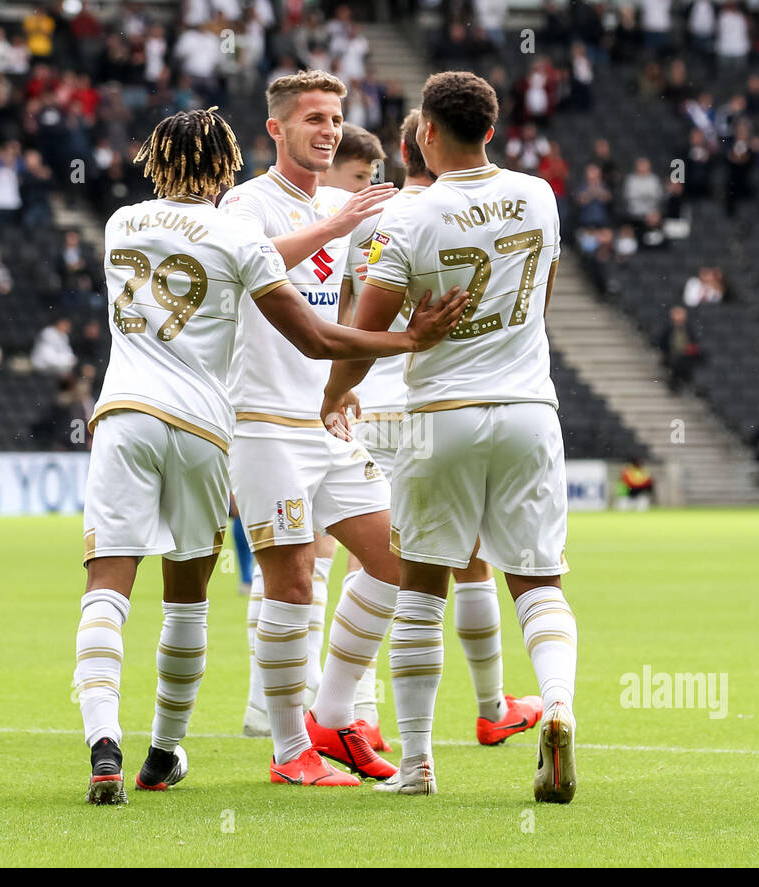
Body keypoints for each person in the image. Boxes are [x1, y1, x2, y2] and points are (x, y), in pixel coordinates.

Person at [74, 106, 465, 804]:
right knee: (186, 607)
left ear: (157, 162)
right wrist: (410, 341)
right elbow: (316, 338)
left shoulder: (120, 224)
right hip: (202, 428)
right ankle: (166, 749)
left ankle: (105, 743)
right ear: (226, 165)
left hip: (121, 418)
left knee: (107, 588)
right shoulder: (239, 233)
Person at [322, 71, 578, 803]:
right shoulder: (539, 195)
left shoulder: (412, 215)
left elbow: (368, 329)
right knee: (538, 581)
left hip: (441, 413)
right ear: (491, 131)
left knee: (424, 586)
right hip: (529, 407)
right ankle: (555, 704)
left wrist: (337, 393)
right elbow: (543, 300)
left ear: (425, 133)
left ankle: (418, 765)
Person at [216, 70, 427, 789]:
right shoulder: (244, 204)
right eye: (313, 118)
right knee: (294, 582)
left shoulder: (343, 201)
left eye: (335, 118)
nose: (329, 130)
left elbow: (415, 216)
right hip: (264, 424)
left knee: (402, 559)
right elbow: (253, 266)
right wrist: (335, 227)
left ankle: (332, 714)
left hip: (325, 421)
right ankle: (285, 750)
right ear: (276, 129)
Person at [660, 306, 702, 392]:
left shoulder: (689, 329)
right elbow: (663, 343)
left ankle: (682, 382)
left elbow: (694, 341)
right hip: (673, 355)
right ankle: (678, 383)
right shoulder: (668, 329)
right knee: (679, 363)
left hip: (687, 355)